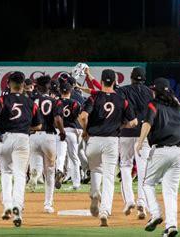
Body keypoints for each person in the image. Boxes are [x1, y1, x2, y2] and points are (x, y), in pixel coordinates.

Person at [78, 69, 137, 227]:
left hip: (93, 140)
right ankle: (104, 211)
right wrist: (122, 124)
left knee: (96, 170)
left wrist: (84, 130)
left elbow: (83, 116)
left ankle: (95, 192)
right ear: (115, 82)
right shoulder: (122, 99)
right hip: (111, 140)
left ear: (102, 81)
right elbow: (134, 122)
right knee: (109, 176)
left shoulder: (94, 97)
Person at [136, 77, 180, 237]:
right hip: (179, 153)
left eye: (154, 89)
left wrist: (139, 142)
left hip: (161, 150)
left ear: (157, 92)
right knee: (170, 192)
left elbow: (147, 123)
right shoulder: (178, 108)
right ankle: (172, 225)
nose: (152, 91)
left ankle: (155, 213)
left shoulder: (153, 105)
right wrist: (176, 103)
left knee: (147, 184)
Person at [0, 71, 43, 227]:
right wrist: (28, 127)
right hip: (22, 138)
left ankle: (6, 205)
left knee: (6, 173)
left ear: (9, 84)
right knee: (20, 174)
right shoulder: (31, 103)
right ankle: (17, 208)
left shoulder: (1, 99)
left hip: (5, 138)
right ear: (23, 86)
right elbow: (39, 125)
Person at [116, 67, 153, 219]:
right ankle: (142, 205)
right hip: (143, 134)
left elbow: (119, 109)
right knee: (143, 169)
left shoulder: (123, 90)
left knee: (125, 165)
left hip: (126, 132)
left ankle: (129, 200)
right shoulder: (150, 93)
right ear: (144, 78)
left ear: (131, 77)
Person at [27, 75, 65, 213]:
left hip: (33, 136)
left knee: (36, 163)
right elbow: (57, 119)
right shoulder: (54, 101)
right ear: (49, 88)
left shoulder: (30, 100)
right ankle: (48, 205)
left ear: (38, 87)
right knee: (50, 172)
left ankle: (35, 175)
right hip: (49, 136)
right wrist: (61, 131)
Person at [54, 82, 82, 190]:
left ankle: (60, 169)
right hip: (72, 131)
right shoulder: (75, 103)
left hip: (59, 131)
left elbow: (55, 118)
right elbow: (78, 117)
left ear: (60, 91)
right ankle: (76, 183)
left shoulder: (56, 102)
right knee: (74, 157)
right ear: (70, 91)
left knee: (60, 155)